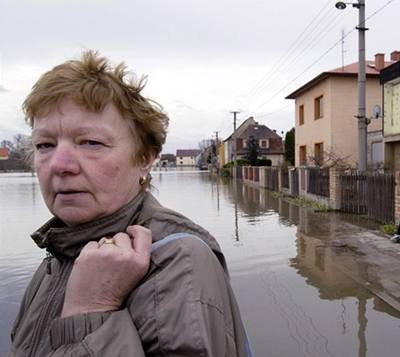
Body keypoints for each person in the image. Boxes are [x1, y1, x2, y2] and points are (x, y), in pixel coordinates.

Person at [8, 51, 252, 356]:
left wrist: (90, 312)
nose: (60, 164)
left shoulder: (177, 263)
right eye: (45, 145)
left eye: (91, 143)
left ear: (145, 158)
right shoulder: (59, 254)